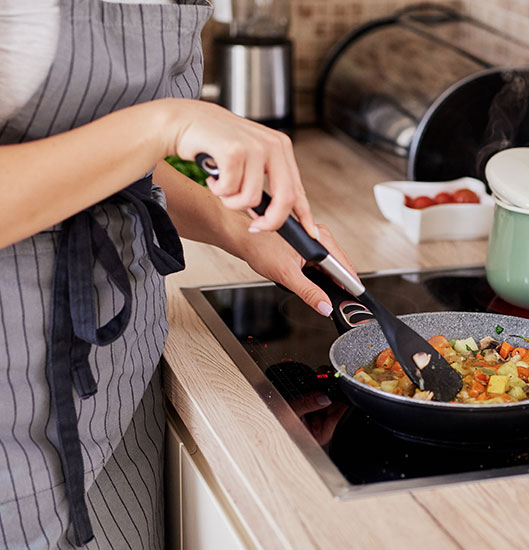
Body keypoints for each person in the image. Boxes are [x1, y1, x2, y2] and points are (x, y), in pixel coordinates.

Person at [0, 0, 355, 548]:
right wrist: (168, 122)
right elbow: (147, 132)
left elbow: (113, 151)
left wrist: (238, 227)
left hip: (123, 375)